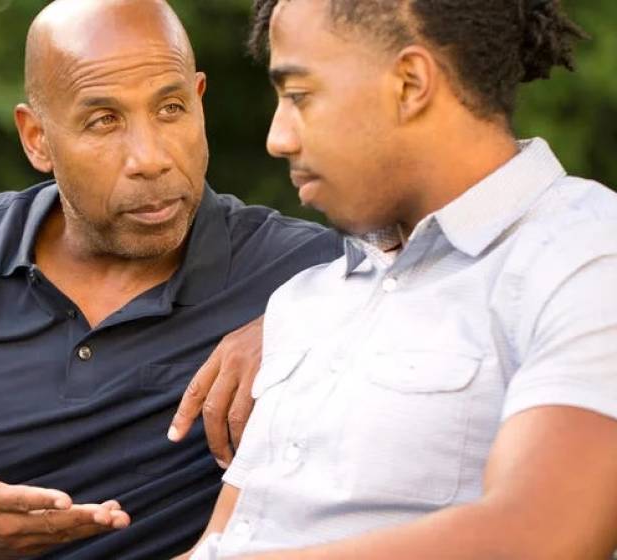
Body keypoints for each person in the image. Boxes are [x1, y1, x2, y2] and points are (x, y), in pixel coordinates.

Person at [0, 1, 344, 559]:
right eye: (104, 120)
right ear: (37, 139)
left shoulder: (313, 276)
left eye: (170, 109)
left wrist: (301, 318)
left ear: (199, 101)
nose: (149, 158)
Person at [184, 0, 617, 558]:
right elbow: (223, 544)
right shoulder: (305, 301)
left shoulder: (584, 255)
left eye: (299, 96)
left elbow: (546, 533)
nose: (278, 137)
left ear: (410, 83)